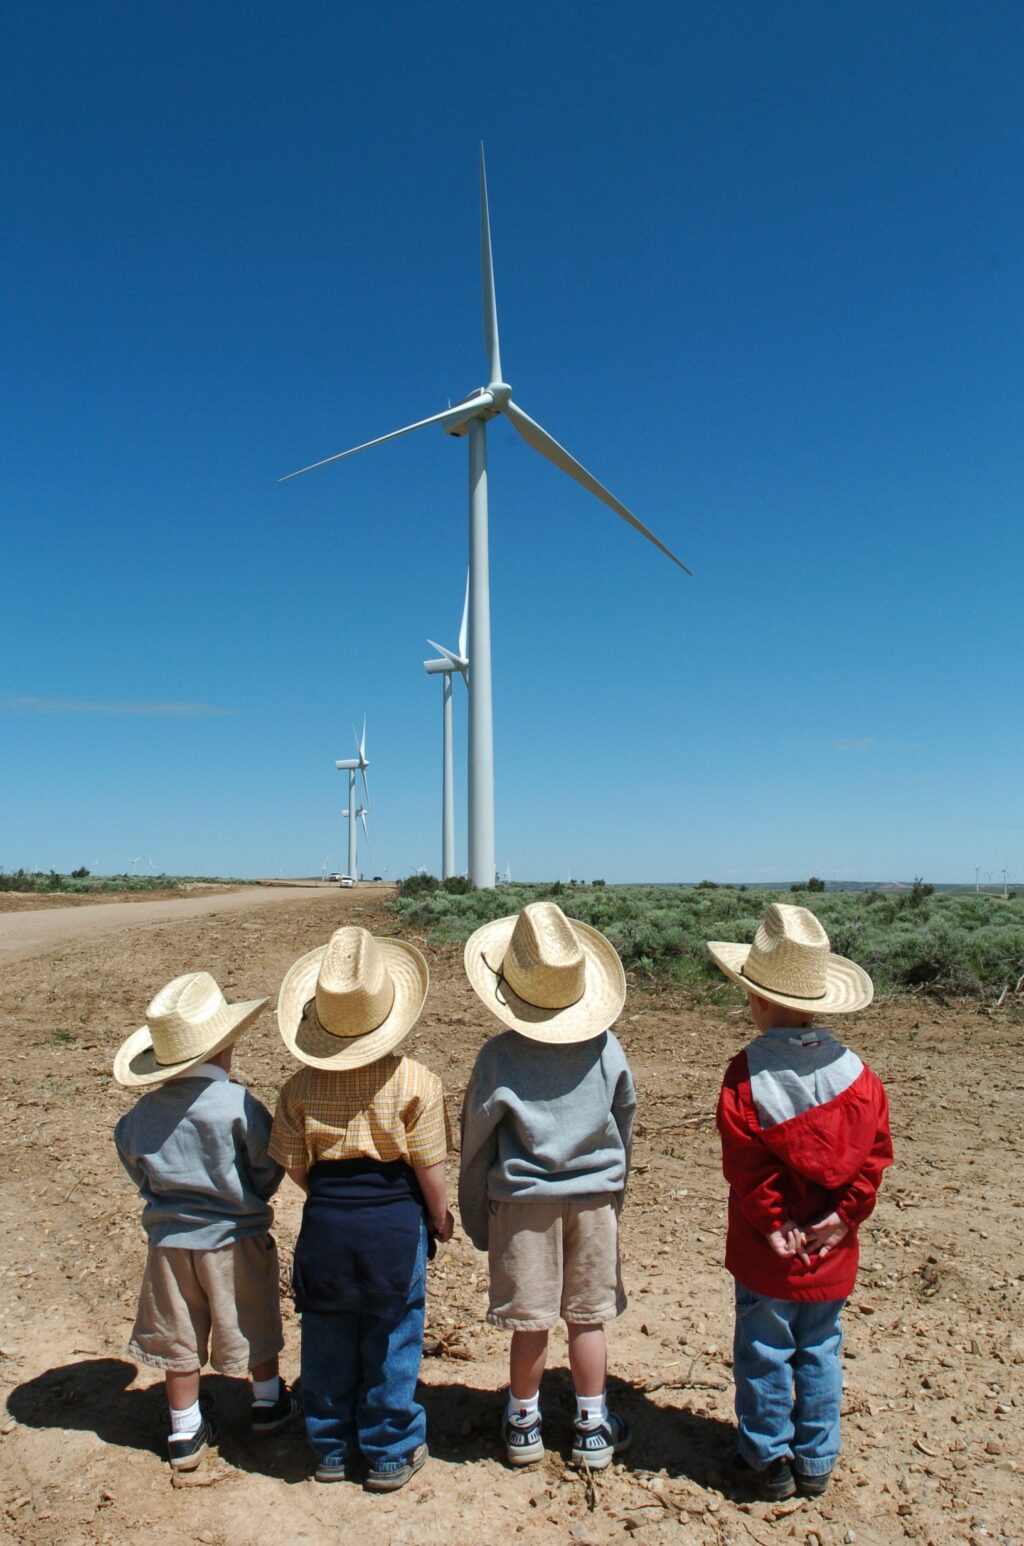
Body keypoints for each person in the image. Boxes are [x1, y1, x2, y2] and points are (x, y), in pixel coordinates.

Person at [709, 902, 893, 1500]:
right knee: (820, 1348)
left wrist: (772, 1220)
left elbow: (745, 1163)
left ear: (758, 1000)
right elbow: (874, 1158)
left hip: (770, 1250)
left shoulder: (746, 1075)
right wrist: (844, 1217)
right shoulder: (860, 1078)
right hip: (831, 1250)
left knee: (764, 1349)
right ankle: (816, 1459)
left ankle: (766, 1461)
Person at [269, 926, 453, 1491]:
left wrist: (327, 1196)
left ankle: (328, 1446)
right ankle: (389, 1450)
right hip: (395, 1224)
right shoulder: (417, 1081)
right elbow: (430, 1169)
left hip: (326, 1222)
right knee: (393, 1336)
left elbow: (293, 1166)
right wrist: (441, 1217)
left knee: (325, 1336)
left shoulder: (297, 1088)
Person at [459, 901, 636, 1470]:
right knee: (588, 1317)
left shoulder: (499, 1055)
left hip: (522, 1204)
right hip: (594, 1200)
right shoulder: (607, 1048)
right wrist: (614, 1191)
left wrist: (477, 1215)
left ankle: (523, 1420)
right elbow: (624, 1119)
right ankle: (591, 1424)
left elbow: (476, 1141)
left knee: (530, 1321)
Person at [113, 972, 295, 1472]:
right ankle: (266, 1401)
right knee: (254, 1320)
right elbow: (266, 1165)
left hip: (170, 1243)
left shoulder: (140, 1116)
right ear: (225, 1048)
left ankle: (185, 1429)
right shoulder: (239, 1105)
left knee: (179, 1336)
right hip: (236, 1238)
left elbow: (133, 1159)